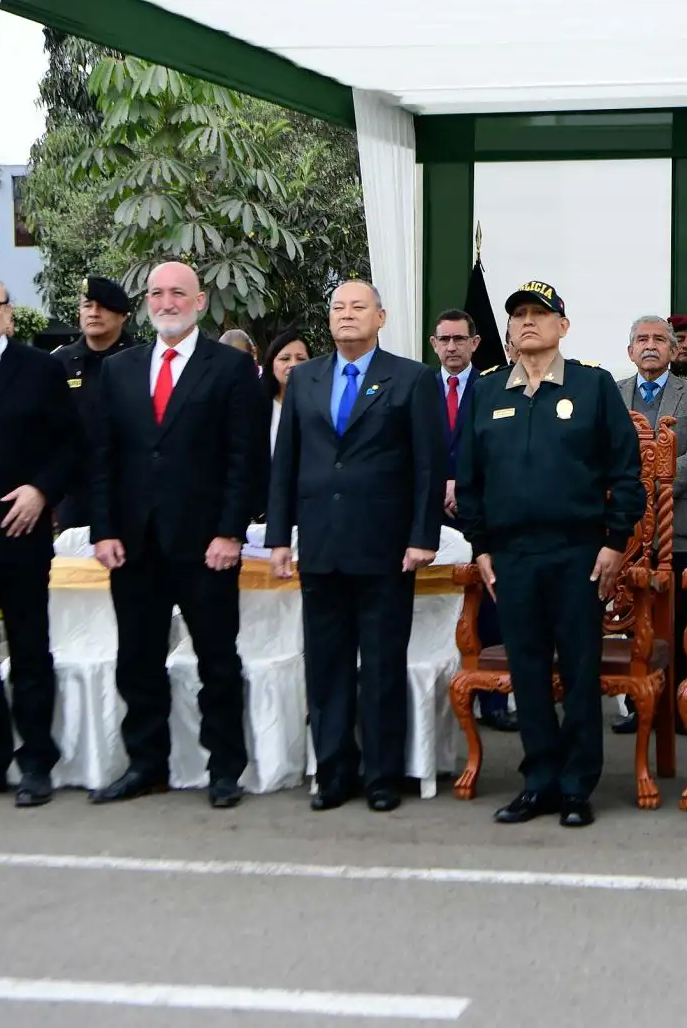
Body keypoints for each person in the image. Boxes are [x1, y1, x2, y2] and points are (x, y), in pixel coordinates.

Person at [456, 281, 643, 828]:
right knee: (528, 671)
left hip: (577, 553)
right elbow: (469, 477)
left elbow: (625, 473)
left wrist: (614, 543)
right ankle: (538, 781)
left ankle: (577, 786)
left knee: (580, 670)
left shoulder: (593, 386)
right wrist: (481, 546)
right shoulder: (488, 391)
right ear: (508, 331)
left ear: (563, 326)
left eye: (541, 314)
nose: (528, 323)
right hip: (511, 555)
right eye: (519, 316)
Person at [86, 261, 267, 810]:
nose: (166, 302)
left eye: (177, 293)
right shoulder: (119, 370)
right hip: (134, 545)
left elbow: (246, 459)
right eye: (157, 293)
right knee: (137, 660)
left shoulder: (231, 368)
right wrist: (104, 529)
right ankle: (146, 765)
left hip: (206, 546)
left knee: (216, 661)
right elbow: (102, 458)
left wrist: (230, 532)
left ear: (200, 301)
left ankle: (224, 770)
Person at [267, 280, 445, 814]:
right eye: (338, 308)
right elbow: (286, 463)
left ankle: (383, 774)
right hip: (320, 544)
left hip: (386, 547)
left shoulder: (411, 378)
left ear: (381, 317)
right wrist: (279, 536)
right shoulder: (304, 379)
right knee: (327, 666)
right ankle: (334, 771)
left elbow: (428, 466)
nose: (347, 315)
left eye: (358, 307)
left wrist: (422, 536)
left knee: (383, 666)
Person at [0, 273, 79, 807]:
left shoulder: (40, 369)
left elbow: (68, 444)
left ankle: (36, 761)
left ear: (9, 314)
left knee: (31, 651)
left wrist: (41, 490)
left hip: (19, 534)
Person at [612, 314, 687, 735]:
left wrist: (657, 476)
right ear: (630, 351)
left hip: (680, 521)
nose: (649, 345)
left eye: (658, 339)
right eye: (641, 339)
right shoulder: (611, 395)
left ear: (673, 350)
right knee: (638, 615)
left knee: (679, 615)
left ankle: (680, 705)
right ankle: (641, 705)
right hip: (628, 526)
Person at [430, 308, 516, 734]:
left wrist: (462, 487)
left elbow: (499, 451)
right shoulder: (417, 388)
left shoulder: (495, 387)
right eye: (444, 340)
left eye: (459, 339)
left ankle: (495, 700)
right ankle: (440, 693)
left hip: (481, 510)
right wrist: (439, 485)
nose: (451, 347)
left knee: (489, 602)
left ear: (475, 343)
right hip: (430, 514)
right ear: (433, 344)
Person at [53, 276, 138, 529]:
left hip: (128, 490)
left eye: (103, 306)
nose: (94, 313)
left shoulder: (141, 361)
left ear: (123, 315)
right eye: (87, 305)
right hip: (75, 493)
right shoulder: (59, 362)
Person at [262, 328, 311, 456]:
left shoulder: (322, 406)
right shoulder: (255, 407)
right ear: (271, 365)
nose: (293, 365)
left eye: (301, 359)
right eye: (285, 359)